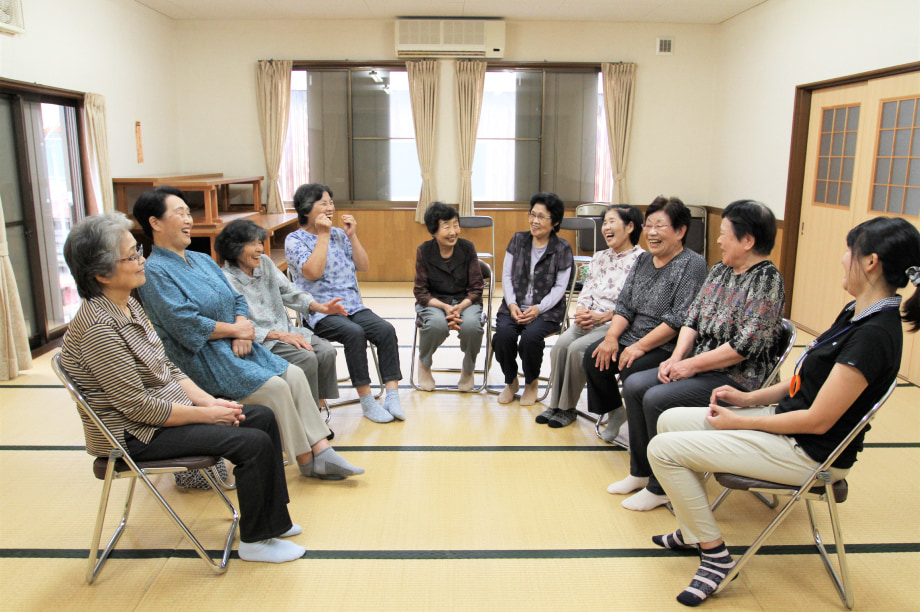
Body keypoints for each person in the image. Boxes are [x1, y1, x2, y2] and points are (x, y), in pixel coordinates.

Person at [647, 216, 920, 607]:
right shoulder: (856, 311)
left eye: (849, 251)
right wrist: (748, 399)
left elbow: (819, 419)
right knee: (668, 420)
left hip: (810, 452)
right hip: (789, 427)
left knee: (663, 450)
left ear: (871, 262)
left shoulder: (875, 334)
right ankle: (694, 530)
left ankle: (714, 555)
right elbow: (804, 383)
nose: (843, 259)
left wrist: (739, 422)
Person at [59, 212, 305, 563]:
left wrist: (212, 402)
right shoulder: (98, 327)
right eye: (131, 256)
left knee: (261, 417)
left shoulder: (128, 303)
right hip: (134, 435)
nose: (141, 261)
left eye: (138, 251)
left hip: (161, 417)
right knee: (250, 441)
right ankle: (256, 540)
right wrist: (208, 416)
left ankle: (273, 522)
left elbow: (168, 368)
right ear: (100, 274)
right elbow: (138, 408)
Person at [133, 186, 363, 480]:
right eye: (180, 213)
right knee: (278, 388)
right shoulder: (154, 272)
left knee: (293, 374)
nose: (189, 220)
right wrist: (237, 329)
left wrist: (242, 328)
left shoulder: (201, 260)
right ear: (155, 223)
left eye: (189, 213)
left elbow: (237, 299)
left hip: (237, 345)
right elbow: (185, 325)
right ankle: (307, 460)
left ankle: (323, 451)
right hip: (204, 358)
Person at [611, 200, 785, 511]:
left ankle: (662, 486)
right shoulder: (720, 270)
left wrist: (690, 365)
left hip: (736, 380)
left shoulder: (766, 281)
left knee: (656, 398)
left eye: (724, 234)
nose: (718, 240)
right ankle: (640, 471)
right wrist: (677, 359)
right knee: (636, 385)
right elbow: (691, 319)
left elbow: (742, 348)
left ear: (748, 240)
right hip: (701, 366)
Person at [582, 197, 708, 441]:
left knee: (632, 368)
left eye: (660, 226)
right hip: (632, 334)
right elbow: (625, 305)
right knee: (594, 356)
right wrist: (611, 338)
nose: (651, 232)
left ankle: (646, 432)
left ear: (681, 231)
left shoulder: (693, 264)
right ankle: (616, 411)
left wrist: (639, 347)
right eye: (648, 225)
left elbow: (678, 319)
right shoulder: (643, 260)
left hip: (666, 344)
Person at [285, 183, 403, 423]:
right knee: (354, 333)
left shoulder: (339, 234)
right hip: (320, 312)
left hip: (353, 306)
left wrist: (352, 235)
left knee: (386, 330)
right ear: (306, 209)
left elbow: (363, 266)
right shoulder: (294, 240)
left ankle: (392, 396)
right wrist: (324, 235)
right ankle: (367, 401)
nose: (330, 208)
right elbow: (313, 272)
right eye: (323, 203)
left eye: (331, 202)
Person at [537, 204, 644, 428]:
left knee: (576, 351)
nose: (606, 227)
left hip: (614, 323)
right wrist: (582, 311)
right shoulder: (599, 257)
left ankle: (567, 408)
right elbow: (586, 289)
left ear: (630, 226)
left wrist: (603, 317)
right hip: (588, 320)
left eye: (612, 222)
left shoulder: (642, 261)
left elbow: (636, 305)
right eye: (604, 223)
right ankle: (555, 404)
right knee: (560, 347)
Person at [216, 219, 342, 407]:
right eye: (253, 243)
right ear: (234, 247)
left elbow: (289, 291)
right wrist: (278, 335)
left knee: (326, 352)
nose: (260, 249)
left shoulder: (265, 263)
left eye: (260, 242)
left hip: (286, 331)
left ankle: (317, 406)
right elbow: (236, 325)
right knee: (306, 358)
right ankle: (304, 411)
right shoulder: (225, 279)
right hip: (262, 341)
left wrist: (319, 306)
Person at [493, 192, 574, 406]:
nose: (534, 221)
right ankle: (511, 381)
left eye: (541, 217)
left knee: (530, 339)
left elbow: (560, 287)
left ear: (555, 222)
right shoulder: (518, 240)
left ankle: (531, 382)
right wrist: (511, 304)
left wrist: (538, 308)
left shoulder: (562, 248)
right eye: (532, 214)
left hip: (547, 311)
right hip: (514, 306)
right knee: (502, 336)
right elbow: (507, 276)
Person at [414, 202, 485, 392]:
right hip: (435, 302)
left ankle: (468, 370)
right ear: (434, 230)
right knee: (436, 325)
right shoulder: (424, 251)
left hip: (466, 300)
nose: (453, 231)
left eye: (455, 225)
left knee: (471, 327)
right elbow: (421, 291)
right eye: (446, 226)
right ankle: (424, 364)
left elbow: (477, 287)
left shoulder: (468, 248)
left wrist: (460, 307)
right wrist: (446, 308)